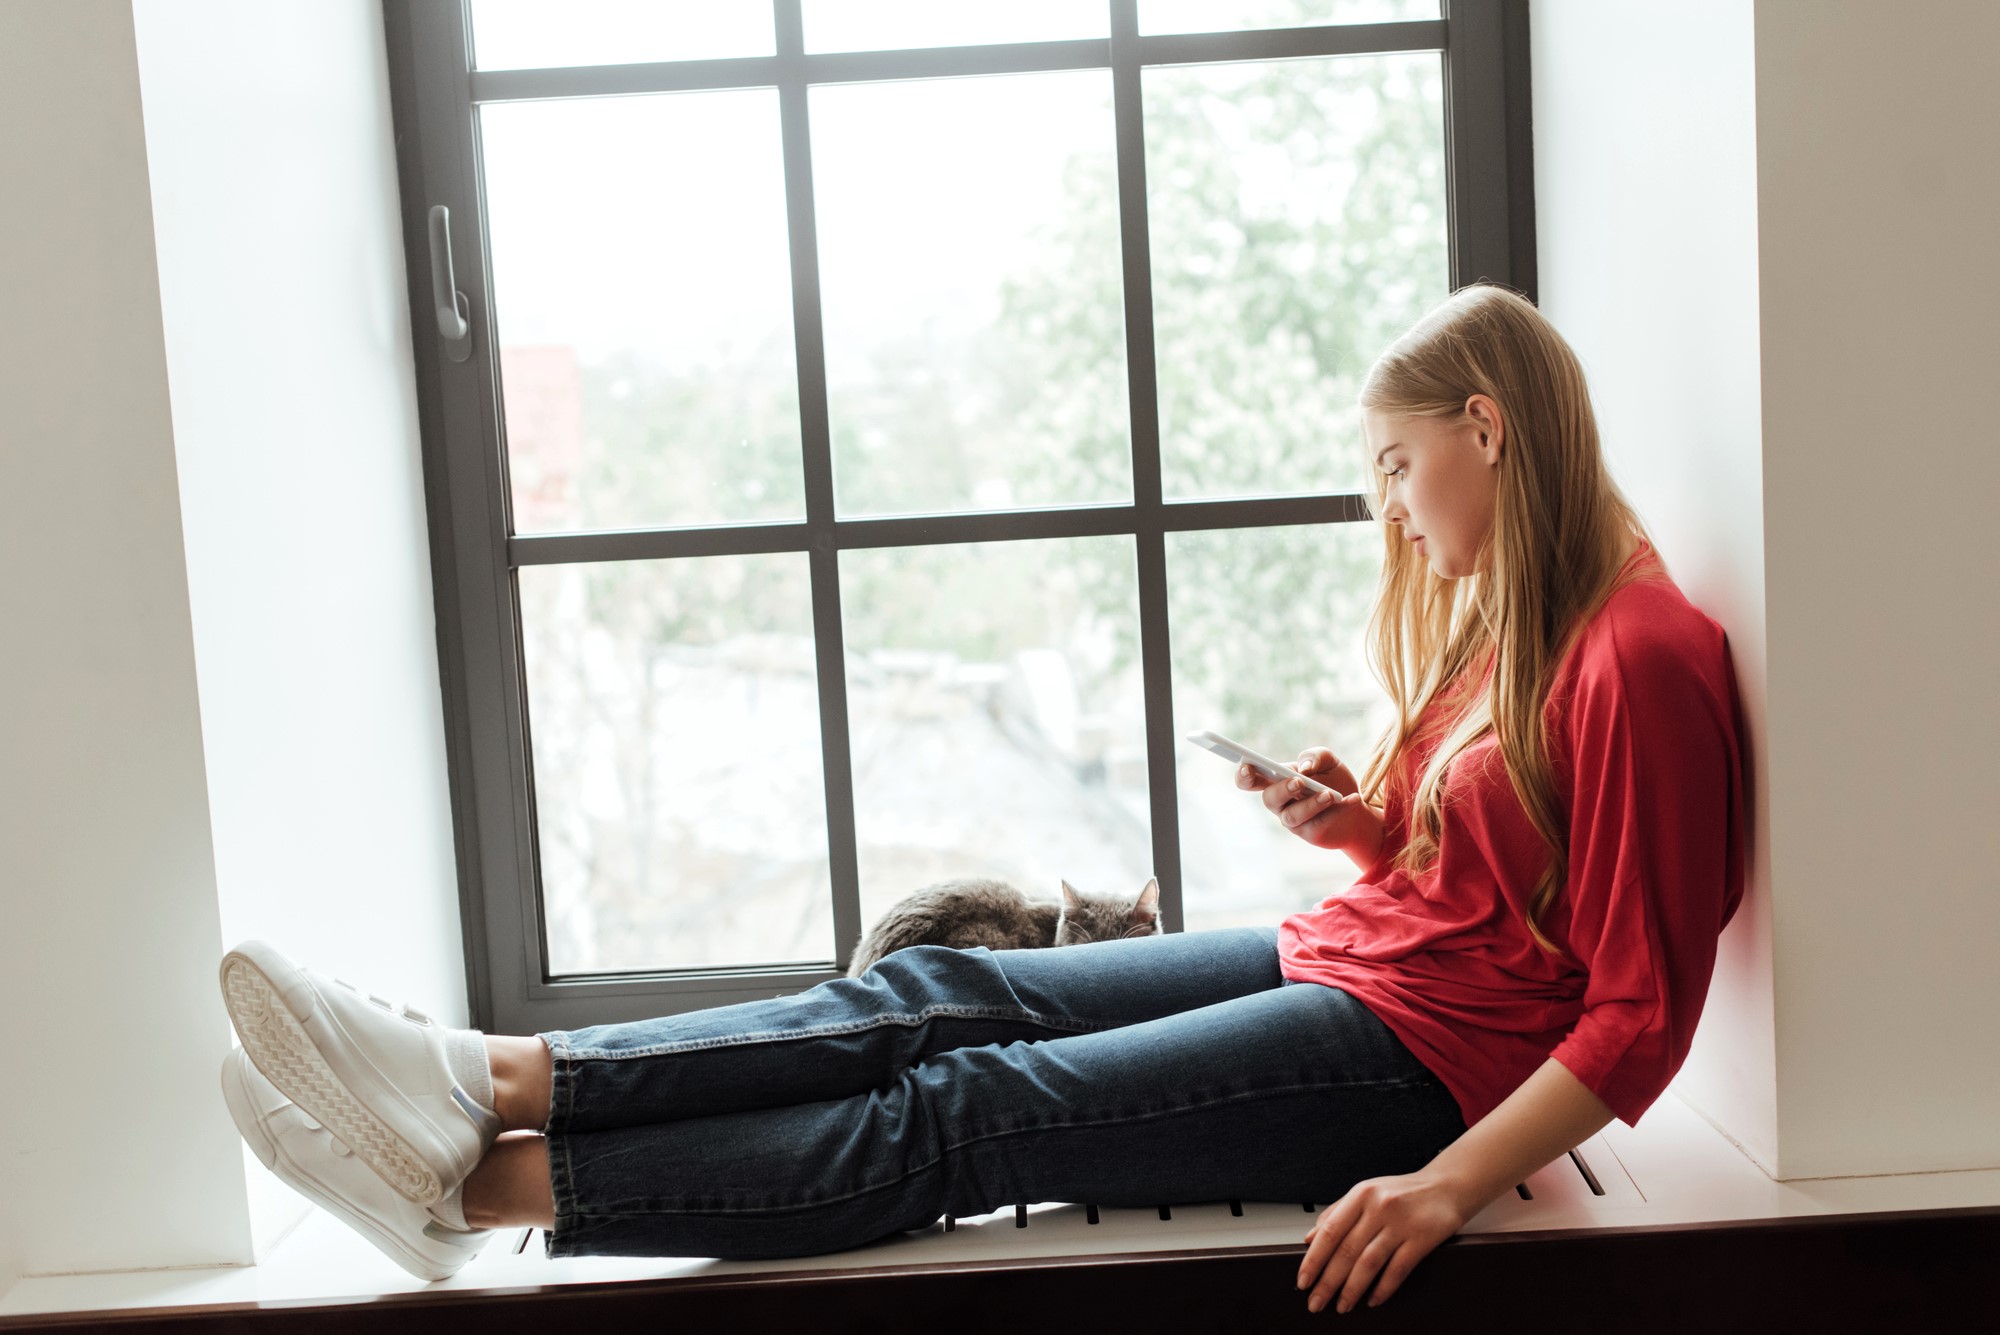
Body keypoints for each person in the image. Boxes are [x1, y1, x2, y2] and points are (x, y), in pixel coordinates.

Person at [217, 283, 1746, 1316]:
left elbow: (1637, 1015)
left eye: (1399, 470)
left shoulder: (1646, 657)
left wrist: (1442, 1189)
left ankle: (478, 1190)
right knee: (947, 989)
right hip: (1353, 957)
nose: (1399, 521)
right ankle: (482, 1075)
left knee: (978, 1114)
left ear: (1487, 427)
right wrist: (1354, 825)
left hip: (1429, 1068)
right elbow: (1469, 865)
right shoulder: (1516, 628)